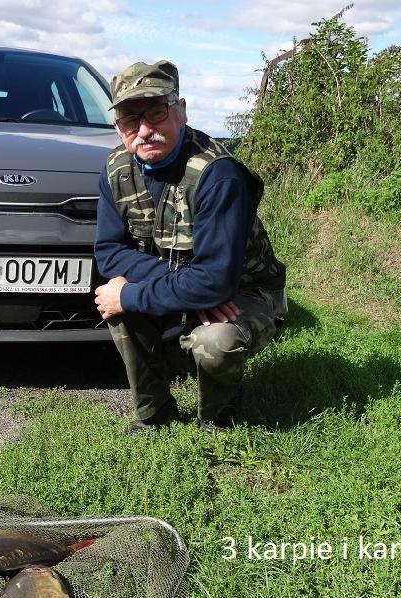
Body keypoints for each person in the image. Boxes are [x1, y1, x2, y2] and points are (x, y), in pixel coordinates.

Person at [93, 60, 288, 433]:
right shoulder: (115, 169)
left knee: (215, 340)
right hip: (196, 283)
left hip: (245, 291)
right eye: (130, 120)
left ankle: (219, 415)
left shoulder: (219, 174)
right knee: (117, 301)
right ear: (118, 126)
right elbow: (109, 253)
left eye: (156, 113)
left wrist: (143, 292)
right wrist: (184, 285)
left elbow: (216, 281)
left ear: (180, 110)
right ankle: (154, 413)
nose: (144, 130)